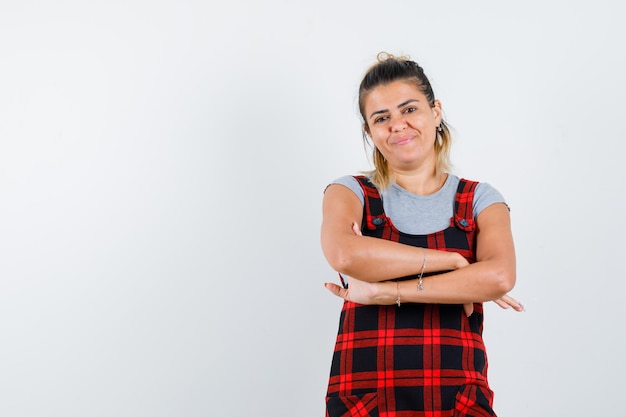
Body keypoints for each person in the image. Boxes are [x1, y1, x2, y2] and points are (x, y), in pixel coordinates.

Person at [321, 53, 523, 416]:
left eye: (408, 109)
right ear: (370, 131)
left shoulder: (480, 199)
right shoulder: (349, 191)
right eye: (381, 118)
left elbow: (500, 275)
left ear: (435, 112)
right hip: (366, 401)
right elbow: (346, 255)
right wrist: (454, 264)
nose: (397, 125)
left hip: (458, 400)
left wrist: (385, 290)